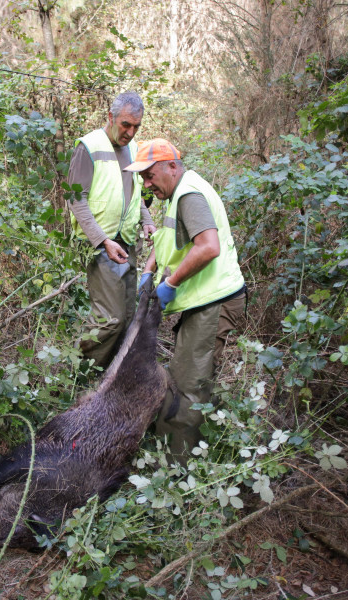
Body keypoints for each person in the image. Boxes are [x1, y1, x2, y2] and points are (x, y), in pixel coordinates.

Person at [124, 139, 247, 465]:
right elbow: (171, 240)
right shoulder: (177, 193)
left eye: (150, 176)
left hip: (213, 302)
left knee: (188, 388)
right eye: (143, 179)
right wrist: (149, 269)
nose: (147, 184)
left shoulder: (189, 195)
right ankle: (176, 447)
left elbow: (208, 247)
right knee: (185, 376)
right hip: (201, 303)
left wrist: (170, 283)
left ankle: (176, 472)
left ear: (172, 166)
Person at [66, 92, 157, 368]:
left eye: (136, 127)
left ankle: (109, 375)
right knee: (111, 320)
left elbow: (135, 194)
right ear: (111, 117)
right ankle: (79, 370)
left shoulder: (133, 150)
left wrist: (147, 219)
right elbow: (75, 198)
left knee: (128, 318)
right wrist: (102, 240)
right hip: (100, 244)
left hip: (127, 243)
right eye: (125, 125)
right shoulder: (89, 147)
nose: (130, 132)